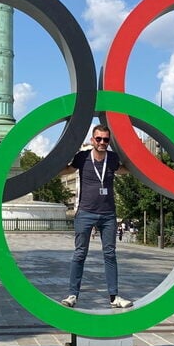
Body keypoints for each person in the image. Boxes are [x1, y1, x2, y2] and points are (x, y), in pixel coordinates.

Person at [58, 124, 133, 309]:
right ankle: (72, 295)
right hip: (85, 212)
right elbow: (67, 169)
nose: (102, 142)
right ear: (92, 140)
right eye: (98, 139)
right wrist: (47, 170)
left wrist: (139, 165)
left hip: (108, 215)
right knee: (80, 254)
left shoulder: (113, 158)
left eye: (106, 140)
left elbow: (125, 169)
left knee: (110, 254)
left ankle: (114, 297)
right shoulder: (83, 157)